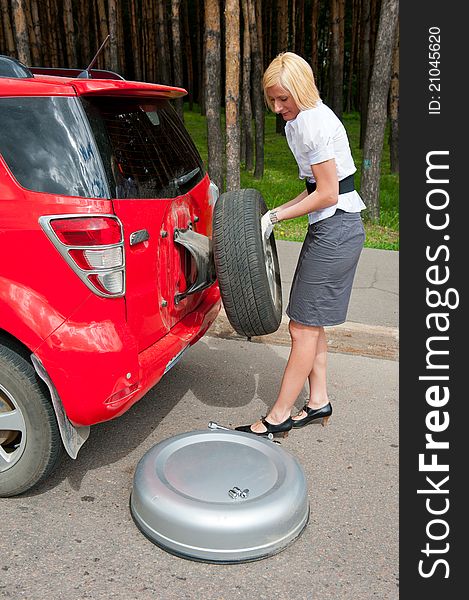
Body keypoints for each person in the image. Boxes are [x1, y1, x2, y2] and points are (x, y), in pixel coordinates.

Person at [236, 51, 366, 437]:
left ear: (301, 90)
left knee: (301, 329)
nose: (277, 108)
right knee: (312, 325)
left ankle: (277, 417)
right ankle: (318, 401)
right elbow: (312, 190)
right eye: (272, 100)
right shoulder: (298, 123)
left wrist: (276, 218)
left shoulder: (313, 122)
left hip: (337, 229)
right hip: (331, 228)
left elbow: (328, 194)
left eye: (283, 99)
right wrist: (270, 213)